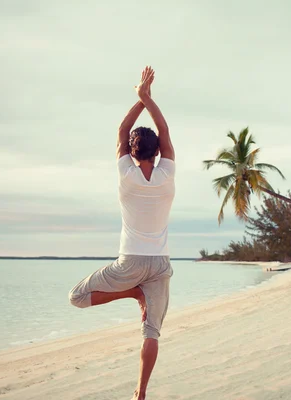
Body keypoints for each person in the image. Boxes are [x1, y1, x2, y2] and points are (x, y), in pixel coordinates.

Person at [69, 66, 175, 400]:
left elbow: (122, 130)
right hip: (159, 264)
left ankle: (131, 294)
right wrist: (147, 99)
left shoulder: (126, 174)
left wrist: (139, 100)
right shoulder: (167, 174)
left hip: (129, 263)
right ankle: (140, 393)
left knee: (77, 297)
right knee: (152, 331)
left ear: (132, 152)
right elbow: (165, 130)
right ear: (157, 153)